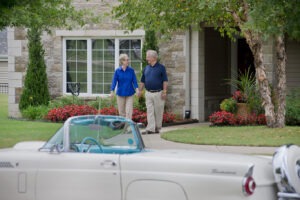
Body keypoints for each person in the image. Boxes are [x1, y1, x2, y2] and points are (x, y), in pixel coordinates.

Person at [139, 50, 168, 134]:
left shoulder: (161, 68)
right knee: (149, 111)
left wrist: (164, 92)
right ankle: (150, 128)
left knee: (158, 111)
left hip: (158, 93)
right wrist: (140, 91)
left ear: (154, 57)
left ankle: (157, 128)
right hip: (148, 93)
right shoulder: (146, 68)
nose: (146, 58)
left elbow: (165, 81)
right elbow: (142, 81)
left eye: (148, 56)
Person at [111, 54, 139, 119]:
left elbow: (134, 81)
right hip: (120, 93)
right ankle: (123, 126)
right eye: (126, 60)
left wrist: (137, 89)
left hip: (130, 93)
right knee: (121, 112)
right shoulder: (117, 71)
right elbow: (114, 81)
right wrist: (112, 91)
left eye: (128, 60)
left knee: (129, 111)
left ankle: (128, 126)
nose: (128, 61)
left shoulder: (131, 70)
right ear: (122, 61)